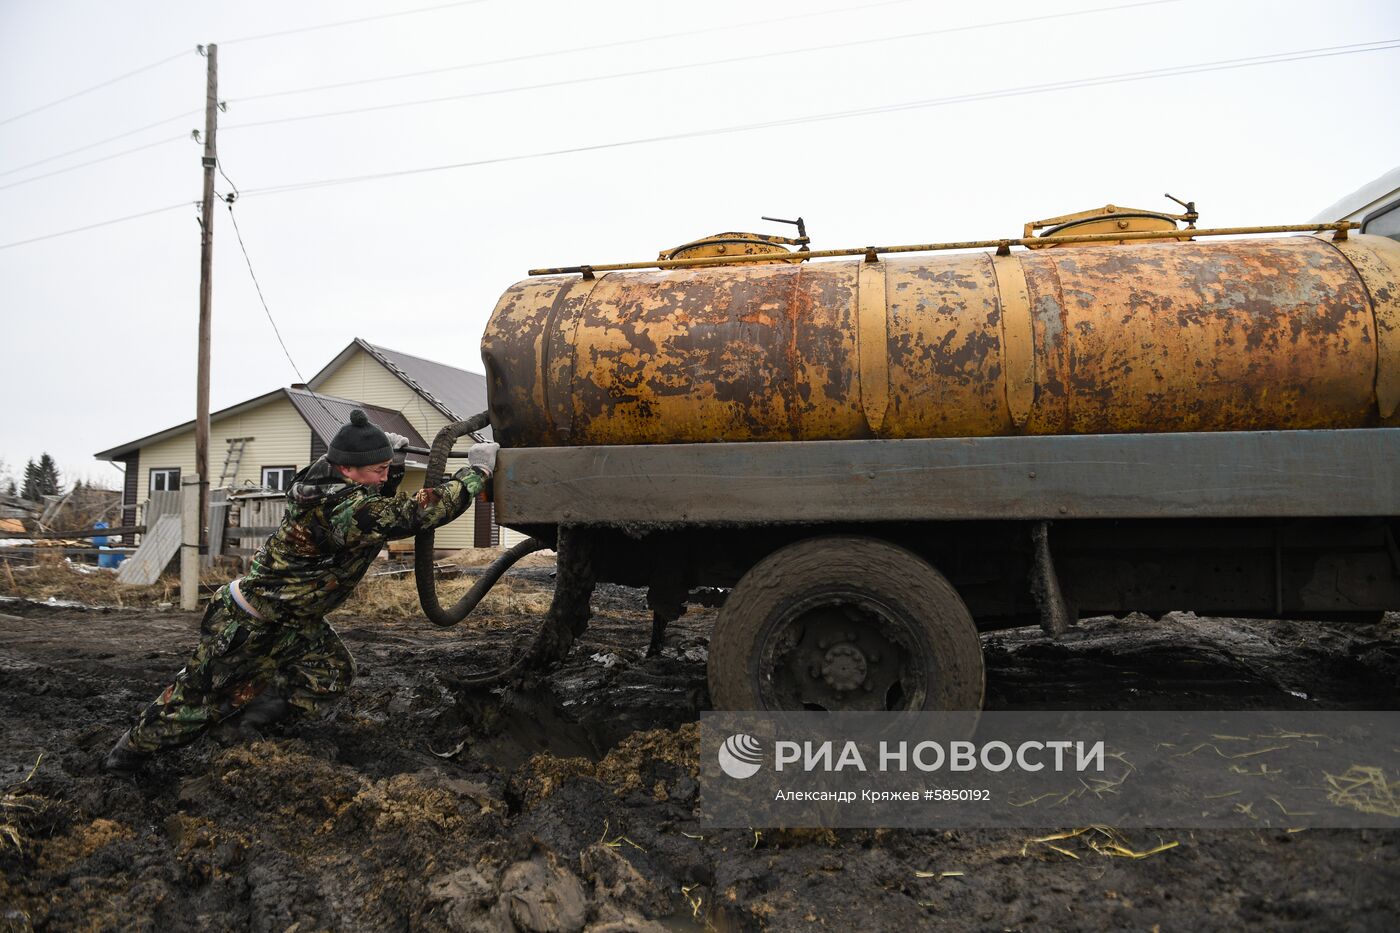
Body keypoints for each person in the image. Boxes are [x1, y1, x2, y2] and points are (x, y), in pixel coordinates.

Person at [104, 409, 498, 776]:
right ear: (348, 468)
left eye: (384, 470)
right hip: (249, 624)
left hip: (293, 619)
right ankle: (125, 758)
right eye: (377, 470)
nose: (383, 476)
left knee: (330, 673)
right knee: (193, 703)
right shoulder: (339, 507)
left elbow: (373, 504)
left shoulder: (327, 482)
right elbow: (414, 513)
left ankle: (244, 727)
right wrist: (475, 472)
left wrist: (388, 467)